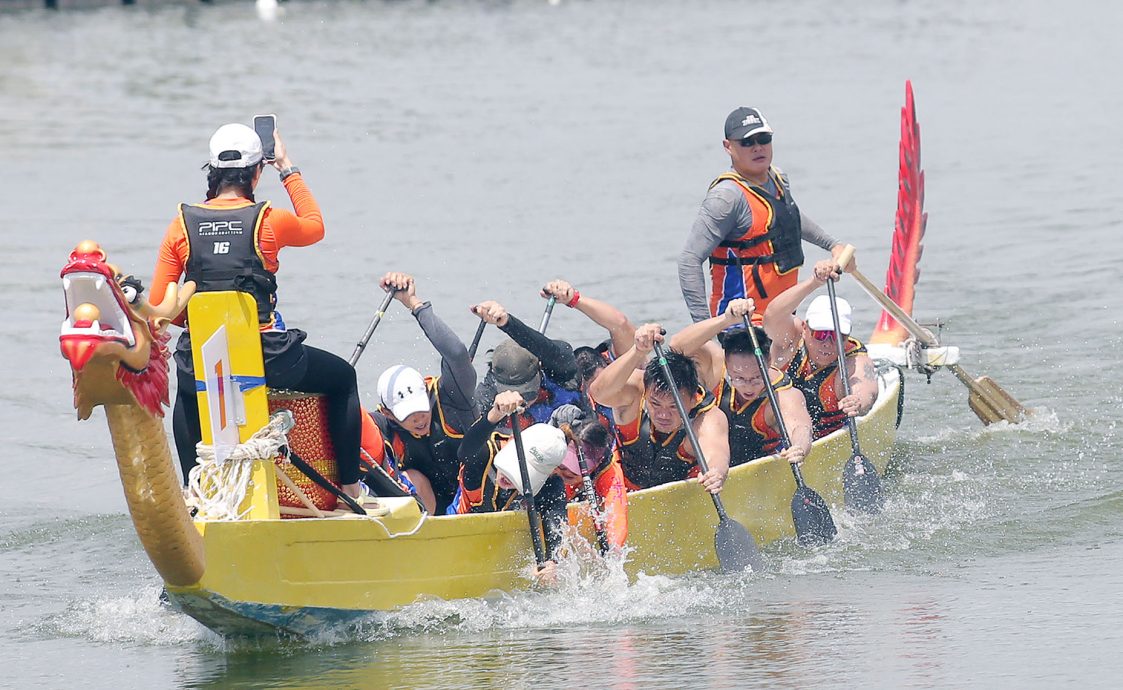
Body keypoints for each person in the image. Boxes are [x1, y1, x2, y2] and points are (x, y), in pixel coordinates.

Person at [151, 123, 363, 497]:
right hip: (267, 358)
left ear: (212, 174)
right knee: (343, 378)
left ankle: (194, 493)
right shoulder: (270, 220)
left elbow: (161, 311)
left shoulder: (180, 225)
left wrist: (203, 310)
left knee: (187, 390)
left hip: (202, 362)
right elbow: (315, 226)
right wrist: (287, 166)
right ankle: (348, 491)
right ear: (256, 173)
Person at [678, 106, 854, 324]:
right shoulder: (725, 198)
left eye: (763, 139)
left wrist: (833, 245)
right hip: (743, 328)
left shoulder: (778, 178)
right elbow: (689, 261)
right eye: (747, 142)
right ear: (728, 146)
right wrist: (704, 333)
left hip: (783, 320)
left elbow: (791, 218)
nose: (757, 147)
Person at [359, 272, 476, 514]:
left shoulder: (452, 400)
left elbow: (456, 354)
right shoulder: (383, 424)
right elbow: (347, 416)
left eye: (421, 407)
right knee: (409, 476)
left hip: (478, 498)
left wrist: (412, 303)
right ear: (389, 414)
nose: (420, 418)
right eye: (408, 414)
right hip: (430, 508)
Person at [668, 298, 813, 467]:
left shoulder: (783, 395)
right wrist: (726, 319)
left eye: (756, 378)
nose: (748, 386)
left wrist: (799, 448)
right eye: (738, 378)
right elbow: (676, 347)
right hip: (714, 460)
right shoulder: (716, 367)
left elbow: (801, 427)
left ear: (769, 361)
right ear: (726, 363)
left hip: (763, 467)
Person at [587, 323, 730, 493]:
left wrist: (716, 473)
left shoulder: (708, 417)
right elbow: (598, 392)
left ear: (692, 399)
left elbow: (716, 452)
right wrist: (637, 351)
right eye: (655, 403)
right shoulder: (636, 390)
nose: (663, 414)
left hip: (681, 495)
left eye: (673, 406)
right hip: (625, 494)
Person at [449, 391, 570, 585]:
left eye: (523, 475)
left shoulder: (552, 483)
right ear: (513, 444)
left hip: (495, 553)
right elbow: (465, 450)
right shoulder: (483, 453)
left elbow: (556, 521)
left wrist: (552, 562)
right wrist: (495, 414)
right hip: (457, 536)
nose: (509, 479)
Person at [763, 260, 879, 438]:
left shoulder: (852, 361)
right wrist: (814, 282)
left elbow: (866, 387)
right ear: (804, 328)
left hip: (824, 437)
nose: (828, 343)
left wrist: (858, 401)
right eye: (821, 334)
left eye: (837, 336)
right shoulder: (790, 339)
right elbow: (772, 315)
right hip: (774, 437)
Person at [539, 279, 636, 428]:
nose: (602, 394)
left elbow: (620, 324)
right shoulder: (563, 395)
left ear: (609, 364)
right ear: (582, 387)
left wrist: (573, 299)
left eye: (604, 382)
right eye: (593, 388)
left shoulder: (627, 370)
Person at [471, 299, 580, 428]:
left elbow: (552, 350)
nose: (522, 404)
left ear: (539, 369)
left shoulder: (559, 371)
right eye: (515, 397)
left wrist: (507, 323)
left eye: (528, 395)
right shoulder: (486, 394)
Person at [548, 404, 629, 550]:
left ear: (596, 463)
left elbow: (617, 518)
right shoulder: (548, 454)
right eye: (560, 466)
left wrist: (614, 554)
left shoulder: (607, 470)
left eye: (572, 471)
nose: (563, 472)